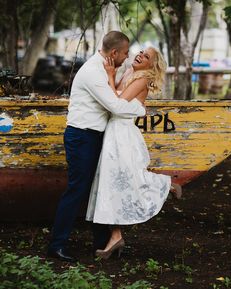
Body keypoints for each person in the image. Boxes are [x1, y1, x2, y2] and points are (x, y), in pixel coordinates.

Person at [47, 31, 146, 263]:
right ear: (114, 53)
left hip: (94, 136)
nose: (128, 56)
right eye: (125, 52)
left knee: (97, 190)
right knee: (77, 190)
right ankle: (56, 245)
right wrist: (141, 110)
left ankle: (103, 243)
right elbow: (115, 106)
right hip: (82, 137)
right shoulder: (93, 72)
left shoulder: (105, 69)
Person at [85, 47, 182, 260]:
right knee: (114, 184)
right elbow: (113, 95)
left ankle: (164, 185)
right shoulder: (130, 74)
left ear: (151, 66)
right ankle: (116, 236)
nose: (140, 55)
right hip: (113, 132)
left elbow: (115, 104)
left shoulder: (142, 79)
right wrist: (114, 75)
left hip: (122, 134)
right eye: (140, 52)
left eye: (146, 56)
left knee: (125, 179)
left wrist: (110, 75)